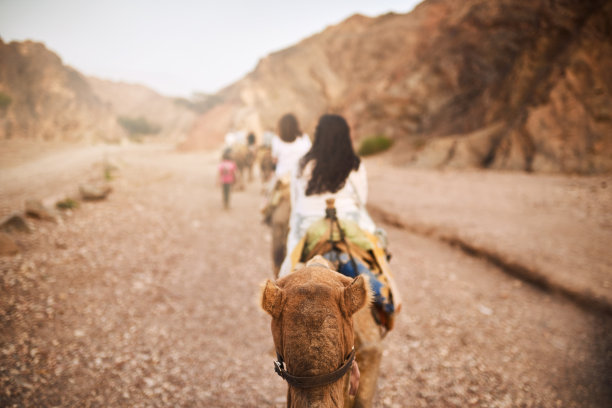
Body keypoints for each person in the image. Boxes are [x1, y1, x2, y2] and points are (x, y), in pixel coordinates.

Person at [279, 114, 377, 277]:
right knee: (379, 260)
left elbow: (295, 203)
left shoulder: (301, 164)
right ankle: (389, 298)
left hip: (307, 227)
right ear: (345, 137)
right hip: (349, 223)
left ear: (318, 136)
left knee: (286, 276)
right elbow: (362, 200)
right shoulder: (354, 164)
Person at [264, 113, 312, 276]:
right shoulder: (305, 139)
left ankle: (278, 270)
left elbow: (274, 160)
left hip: (282, 185)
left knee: (276, 219)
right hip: (302, 184)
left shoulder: (276, 140)